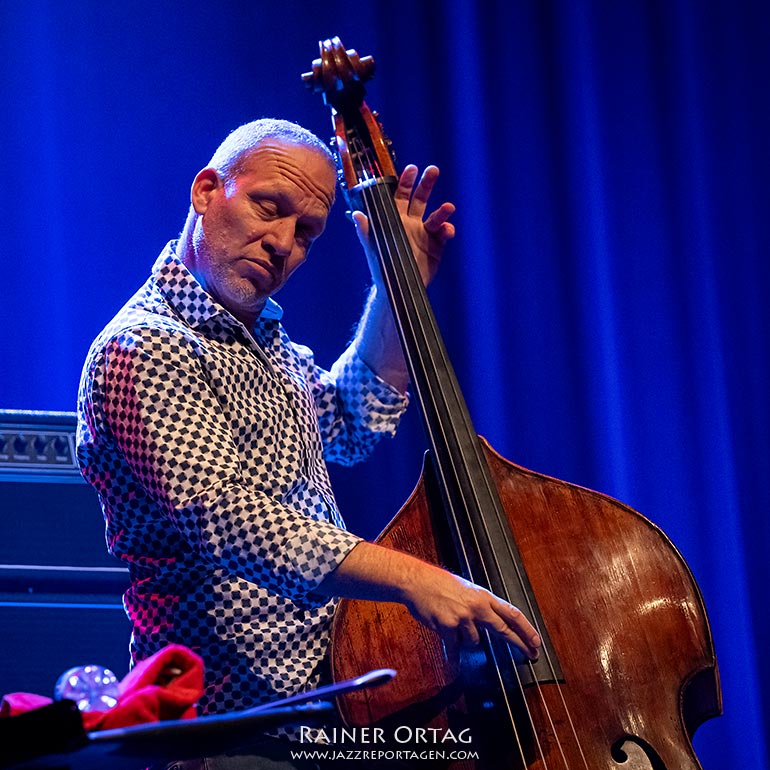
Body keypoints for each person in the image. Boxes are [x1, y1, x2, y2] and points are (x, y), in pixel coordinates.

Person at [76, 119, 540, 768]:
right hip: (227, 731)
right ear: (208, 190)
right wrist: (414, 579)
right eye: (269, 208)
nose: (282, 243)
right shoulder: (144, 346)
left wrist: (397, 288)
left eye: (307, 234)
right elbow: (231, 519)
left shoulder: (269, 345)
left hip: (322, 708)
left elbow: (350, 419)